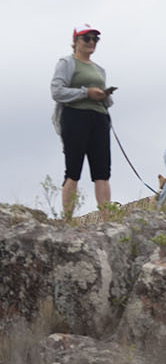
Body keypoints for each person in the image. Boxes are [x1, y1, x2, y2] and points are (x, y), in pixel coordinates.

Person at [50, 23, 114, 220]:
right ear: (75, 41)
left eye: (95, 39)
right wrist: (85, 92)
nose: (91, 42)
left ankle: (106, 218)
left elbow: (107, 101)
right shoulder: (67, 63)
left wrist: (104, 95)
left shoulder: (99, 70)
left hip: (99, 118)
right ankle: (67, 219)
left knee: (102, 171)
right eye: (87, 38)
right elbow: (56, 91)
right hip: (75, 117)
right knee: (73, 169)